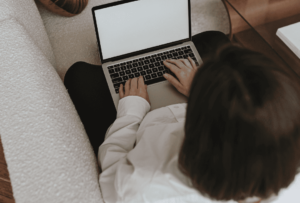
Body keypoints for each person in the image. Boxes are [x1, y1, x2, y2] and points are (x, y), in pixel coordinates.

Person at [64, 31, 300, 203]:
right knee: (214, 39)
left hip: (139, 121)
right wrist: (204, 88)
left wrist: (132, 110)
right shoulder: (283, 169)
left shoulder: (140, 188)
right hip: (202, 114)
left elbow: (112, 165)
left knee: (78, 76)